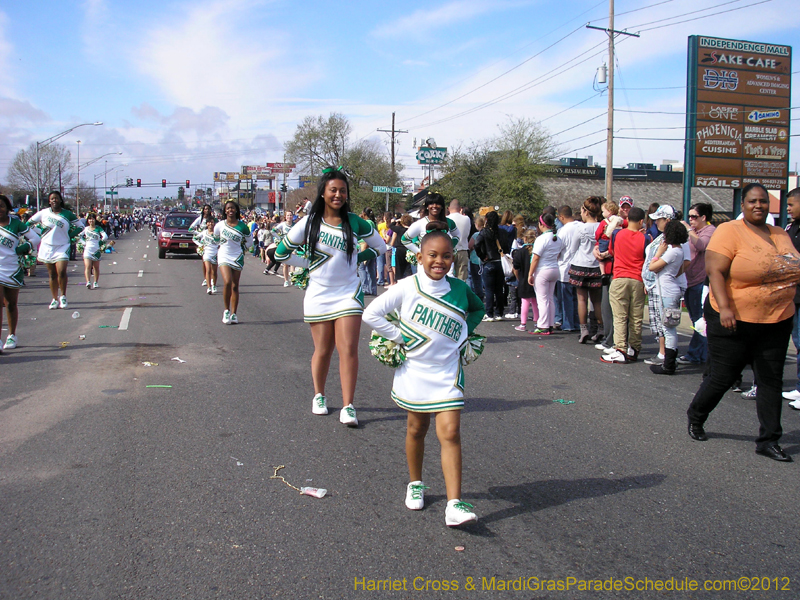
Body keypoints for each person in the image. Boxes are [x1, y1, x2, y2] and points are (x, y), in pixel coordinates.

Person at [362, 228, 484, 526]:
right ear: (419, 257)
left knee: (451, 433)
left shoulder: (460, 288)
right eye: (432, 255)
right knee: (416, 429)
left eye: (446, 256)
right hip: (415, 370)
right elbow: (370, 314)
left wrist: (462, 335)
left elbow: (478, 309)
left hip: (447, 372)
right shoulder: (408, 286)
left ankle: (454, 504)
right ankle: (415, 482)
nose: (439, 261)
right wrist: (400, 337)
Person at [686, 183, 800, 462]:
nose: (758, 205)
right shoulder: (729, 231)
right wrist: (725, 309)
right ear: (743, 205)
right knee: (723, 377)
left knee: (770, 380)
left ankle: (769, 440)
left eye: (763, 201)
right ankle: (696, 415)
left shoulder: (780, 233)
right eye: (752, 201)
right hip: (732, 319)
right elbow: (715, 272)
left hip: (776, 319)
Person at [275, 167, 387, 426]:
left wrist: (356, 259)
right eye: (333, 190)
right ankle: (319, 395)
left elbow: (380, 246)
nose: (338, 195)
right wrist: (309, 262)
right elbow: (281, 253)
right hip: (319, 293)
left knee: (348, 349)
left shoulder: (355, 222)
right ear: (323, 193)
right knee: (323, 350)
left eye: (343, 191)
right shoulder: (309, 222)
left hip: (348, 292)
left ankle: (348, 406)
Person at [600, 207, 650, 364]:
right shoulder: (646, 238)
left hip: (620, 276)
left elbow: (612, 251)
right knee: (636, 316)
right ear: (641, 221)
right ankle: (634, 348)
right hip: (638, 279)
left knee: (620, 316)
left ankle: (620, 348)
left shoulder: (617, 234)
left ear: (628, 219)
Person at [647, 219, 689, 375]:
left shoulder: (673, 252)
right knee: (668, 326)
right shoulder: (679, 251)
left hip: (667, 291)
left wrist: (658, 253)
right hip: (669, 289)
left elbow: (652, 267)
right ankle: (669, 360)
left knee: (668, 327)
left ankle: (669, 363)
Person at [28, 191, 81, 310]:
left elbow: (80, 226)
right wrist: (40, 232)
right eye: (52, 198)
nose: (54, 200)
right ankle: (54, 299)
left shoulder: (67, 214)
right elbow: (28, 224)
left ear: (60, 200)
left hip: (62, 246)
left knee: (61, 271)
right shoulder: (44, 213)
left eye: (56, 198)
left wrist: (70, 235)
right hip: (47, 246)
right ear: (49, 201)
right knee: (52, 274)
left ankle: (63, 296)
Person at [0, 195, 40, 352]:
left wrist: (25, 247)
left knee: (11, 304)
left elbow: (35, 238)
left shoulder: (16, 223)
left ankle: (12, 335)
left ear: (7, 208)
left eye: (2, 206)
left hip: (12, 268)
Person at [677, 203, 716, 366]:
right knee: (696, 320)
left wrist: (688, 229)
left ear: (703, 218)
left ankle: (697, 354)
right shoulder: (694, 232)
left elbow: (702, 245)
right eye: (689, 217)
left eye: (694, 217)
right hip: (689, 279)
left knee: (701, 320)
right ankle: (699, 354)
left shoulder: (709, 231)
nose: (691, 220)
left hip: (701, 281)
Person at [568, 197, 604, 343]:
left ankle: (584, 330)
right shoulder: (602, 227)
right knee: (597, 301)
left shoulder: (580, 229)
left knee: (582, 299)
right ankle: (601, 328)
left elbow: (572, 249)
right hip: (597, 266)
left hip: (580, 265)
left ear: (586, 212)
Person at [214, 201, 252, 324]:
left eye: (232, 208)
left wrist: (243, 249)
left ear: (236, 210)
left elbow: (250, 241)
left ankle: (234, 314)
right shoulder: (219, 225)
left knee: (235, 285)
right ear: (225, 211)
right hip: (224, 255)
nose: (230, 210)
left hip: (237, 256)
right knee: (227, 282)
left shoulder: (243, 226)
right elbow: (216, 239)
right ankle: (226, 310)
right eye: (228, 208)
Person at [472, 211, 512, 321]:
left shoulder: (484, 232)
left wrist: (482, 255)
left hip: (489, 262)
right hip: (500, 262)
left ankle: (489, 314)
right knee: (499, 289)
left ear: (486, 220)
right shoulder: (503, 232)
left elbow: (476, 244)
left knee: (489, 290)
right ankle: (499, 313)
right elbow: (507, 246)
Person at [527, 214, 563, 334]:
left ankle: (542, 325)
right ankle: (550, 323)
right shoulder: (557, 239)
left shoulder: (541, 239)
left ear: (541, 224)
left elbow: (535, 258)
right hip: (554, 269)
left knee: (542, 299)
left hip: (542, 270)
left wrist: (530, 274)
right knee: (550, 298)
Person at [783, 188, 800, 409]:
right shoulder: (790, 228)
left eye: (791, 204)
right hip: (791, 294)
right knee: (797, 342)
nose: (788, 209)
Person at [555, 205, 580, 332]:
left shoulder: (563, 231)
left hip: (564, 267)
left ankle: (568, 324)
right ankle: (577, 322)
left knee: (566, 299)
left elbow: (558, 250)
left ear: (561, 217)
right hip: (579, 267)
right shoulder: (580, 226)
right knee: (578, 298)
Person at [513, 229, 539, 332]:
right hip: (536, 278)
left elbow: (515, 267)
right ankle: (537, 322)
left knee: (525, 302)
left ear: (525, 238)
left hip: (524, 278)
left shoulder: (520, 252)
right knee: (535, 302)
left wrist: (518, 278)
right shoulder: (537, 251)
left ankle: (523, 324)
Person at [79, 212, 108, 289]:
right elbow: (79, 236)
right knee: (88, 266)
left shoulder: (98, 228)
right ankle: (88, 281)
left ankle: (95, 282)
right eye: (89, 219)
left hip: (96, 250)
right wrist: (84, 243)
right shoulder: (86, 229)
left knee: (96, 267)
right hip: (87, 250)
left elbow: (105, 236)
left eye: (92, 219)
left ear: (95, 220)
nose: (91, 221)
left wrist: (101, 242)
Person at [194, 218, 220, 295]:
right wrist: (200, 245)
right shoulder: (204, 232)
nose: (210, 224)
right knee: (208, 270)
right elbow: (195, 238)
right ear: (206, 224)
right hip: (207, 253)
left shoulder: (217, 233)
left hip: (215, 253)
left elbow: (222, 242)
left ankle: (214, 285)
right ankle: (209, 288)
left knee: (214, 271)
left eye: (212, 222)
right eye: (209, 222)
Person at [447, 199, 471, 282]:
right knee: (462, 277)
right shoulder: (466, 219)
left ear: (448, 208)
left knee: (449, 275)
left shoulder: (447, 219)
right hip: (463, 249)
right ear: (460, 208)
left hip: (450, 250)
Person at [389, 214, 413, 281]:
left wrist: (395, 221)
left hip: (399, 250)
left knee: (399, 269)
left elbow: (391, 226)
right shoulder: (411, 230)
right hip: (409, 249)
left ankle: (398, 281)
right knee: (408, 269)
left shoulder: (399, 229)